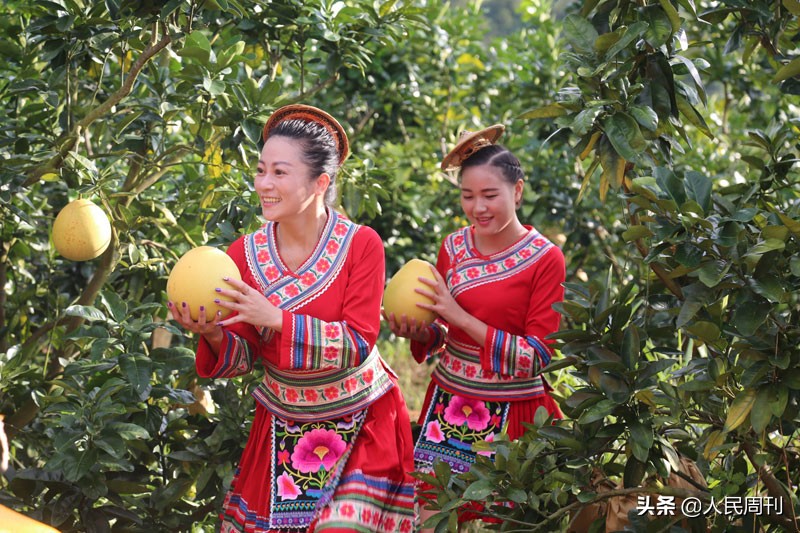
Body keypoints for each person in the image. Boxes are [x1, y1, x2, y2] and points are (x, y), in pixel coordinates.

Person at [168, 104, 416, 533]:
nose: (264, 183)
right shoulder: (242, 255)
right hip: (283, 425)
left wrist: (278, 319)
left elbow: (358, 342)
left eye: (279, 173)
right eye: (261, 170)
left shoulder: (361, 245)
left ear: (321, 182)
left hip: (362, 420)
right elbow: (241, 358)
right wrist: (210, 332)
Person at [385, 124, 565, 527]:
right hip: (450, 404)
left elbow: (537, 357)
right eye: (468, 196)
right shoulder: (452, 246)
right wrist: (420, 332)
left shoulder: (545, 258)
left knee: (503, 522)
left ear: (517, 191)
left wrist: (458, 315)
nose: (478, 207)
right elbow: (444, 335)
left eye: (490, 195)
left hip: (515, 414)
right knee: (431, 518)